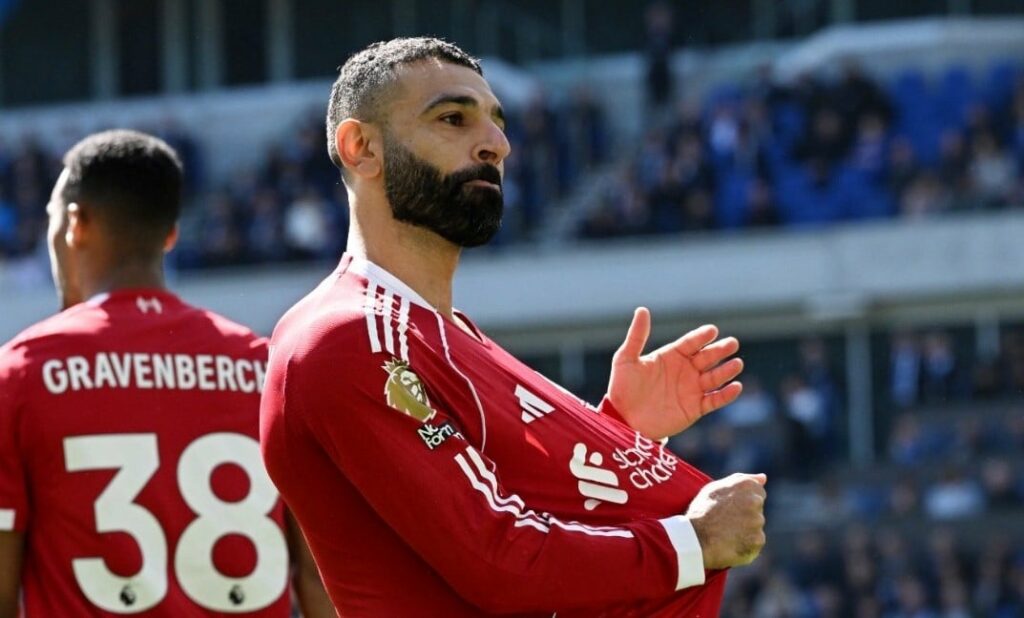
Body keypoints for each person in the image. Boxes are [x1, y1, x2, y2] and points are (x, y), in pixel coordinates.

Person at [260, 37, 767, 617]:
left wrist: (621, 431)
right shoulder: (354, 339)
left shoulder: (438, 334)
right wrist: (694, 542)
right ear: (362, 147)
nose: (495, 144)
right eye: (453, 119)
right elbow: (500, 557)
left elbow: (523, 515)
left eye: (498, 124)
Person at [0, 130, 333, 617]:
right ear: (171, 235)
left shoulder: (21, 374)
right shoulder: (269, 369)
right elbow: (320, 582)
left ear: (74, 224)